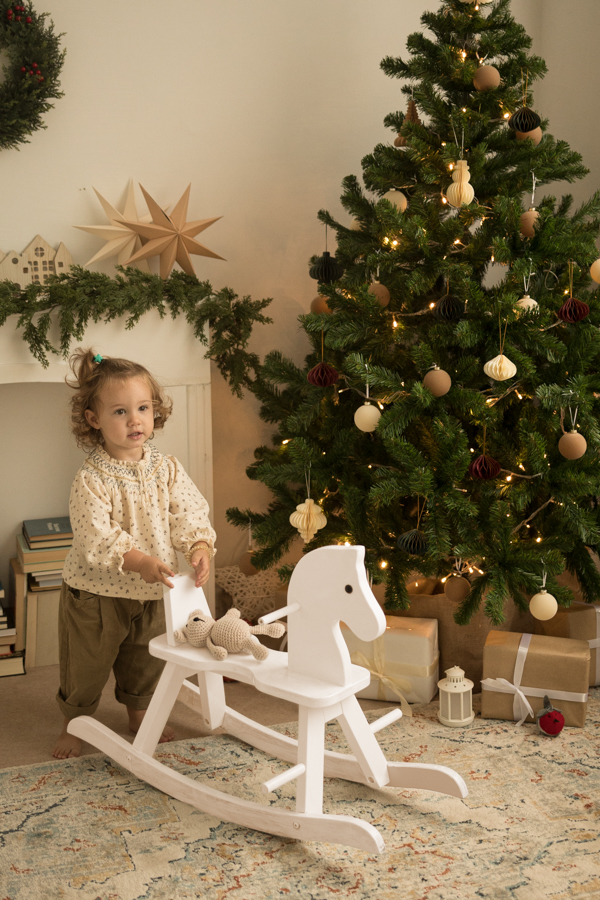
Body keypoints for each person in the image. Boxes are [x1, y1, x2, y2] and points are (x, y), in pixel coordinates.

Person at [52, 348, 216, 759]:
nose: (135, 420)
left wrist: (198, 546)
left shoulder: (168, 468)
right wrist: (139, 560)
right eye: (121, 412)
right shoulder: (91, 478)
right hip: (96, 594)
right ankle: (74, 724)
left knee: (145, 658)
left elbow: (188, 512)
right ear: (94, 420)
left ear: (155, 411)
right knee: (85, 665)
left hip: (152, 591)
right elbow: (96, 536)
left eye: (142, 408)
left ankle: (139, 712)